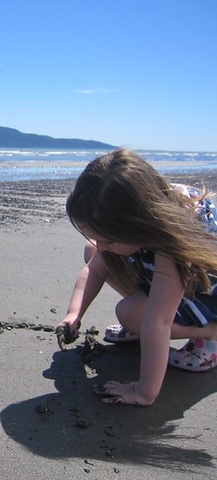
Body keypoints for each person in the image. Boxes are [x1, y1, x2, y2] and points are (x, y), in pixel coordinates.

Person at [56, 148, 217, 406]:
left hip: (208, 295)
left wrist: (144, 392)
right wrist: (74, 314)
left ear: (139, 225)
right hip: (178, 281)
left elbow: (160, 320)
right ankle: (146, 322)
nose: (101, 243)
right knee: (96, 254)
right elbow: (94, 269)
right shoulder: (142, 209)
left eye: (107, 238)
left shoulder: (170, 242)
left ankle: (209, 333)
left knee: (131, 315)